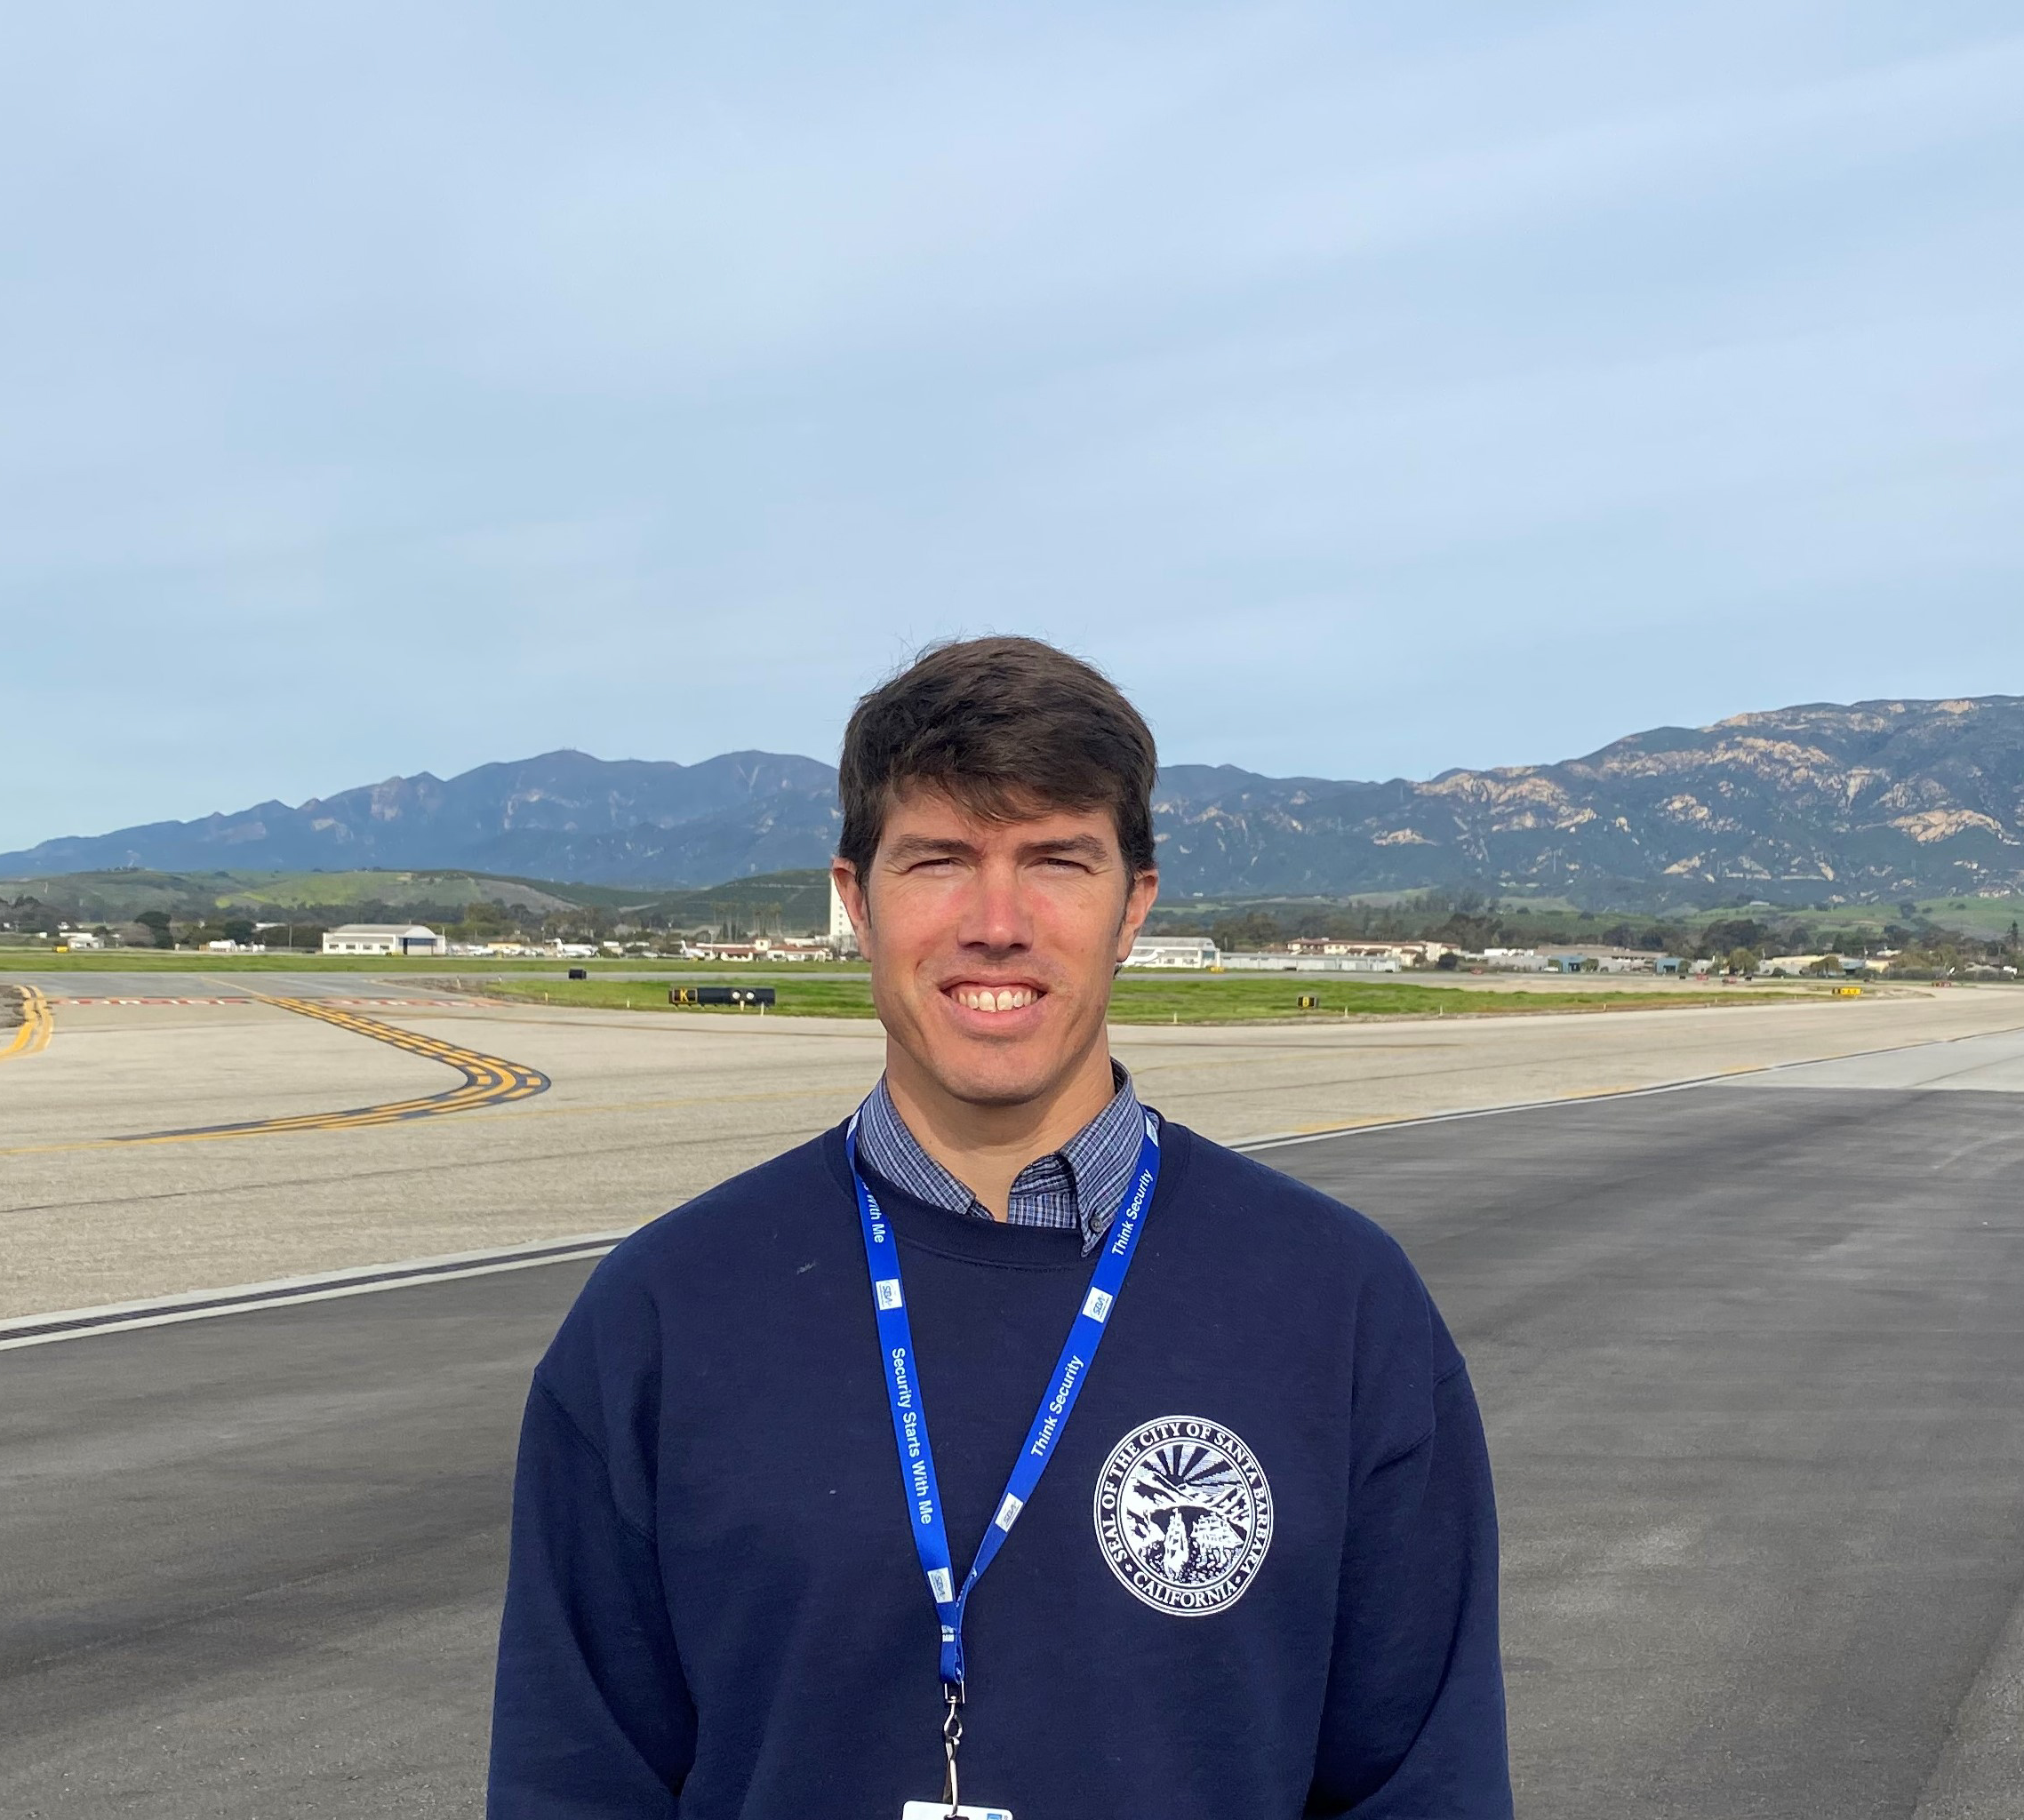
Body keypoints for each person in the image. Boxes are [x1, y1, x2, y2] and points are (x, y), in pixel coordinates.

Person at [487, 636, 1511, 1818]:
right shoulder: (662, 1315)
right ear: (853, 901)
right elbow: (574, 1785)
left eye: (1057, 860)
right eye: (938, 859)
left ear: (1134, 908)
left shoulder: (1339, 1306)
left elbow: (1423, 1788)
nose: (997, 921)